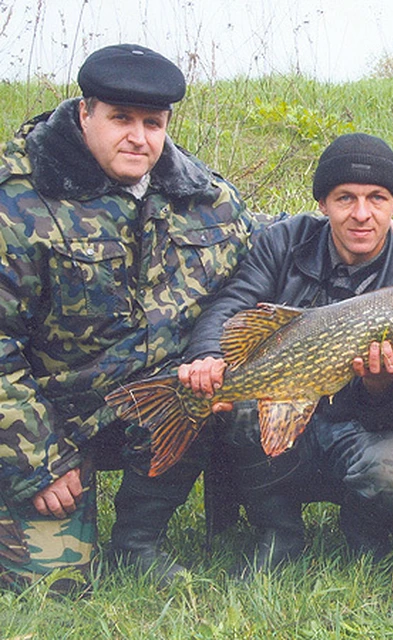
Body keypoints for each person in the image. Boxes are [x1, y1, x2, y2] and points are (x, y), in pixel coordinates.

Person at [0, 44, 261, 590]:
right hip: (49, 416)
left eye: (153, 122)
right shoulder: (19, 203)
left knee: (213, 389)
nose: (138, 138)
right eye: (121, 118)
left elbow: (264, 242)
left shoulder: (201, 196)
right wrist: (38, 463)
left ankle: (138, 540)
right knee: (55, 584)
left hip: (149, 403)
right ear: (84, 113)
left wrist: (352, 232)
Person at [177, 133, 393, 575]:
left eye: (377, 198)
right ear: (322, 203)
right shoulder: (285, 242)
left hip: (358, 427)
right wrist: (207, 355)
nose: (361, 214)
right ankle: (277, 530)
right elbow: (232, 304)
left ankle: (366, 532)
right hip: (283, 409)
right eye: (344, 198)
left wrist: (377, 386)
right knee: (237, 406)